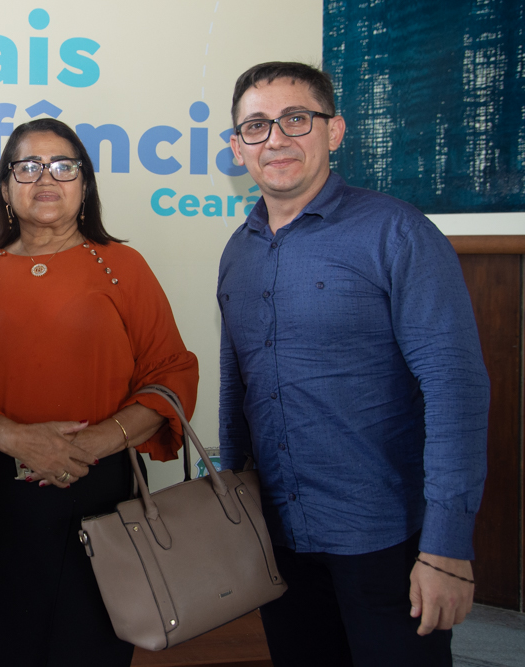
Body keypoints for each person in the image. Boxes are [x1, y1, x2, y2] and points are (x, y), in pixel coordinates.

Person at [218, 61, 490, 666]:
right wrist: (234, 516)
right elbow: (237, 391)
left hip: (386, 541)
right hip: (279, 541)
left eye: (296, 119)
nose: (277, 139)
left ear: (334, 131)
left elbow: (456, 389)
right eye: (256, 126)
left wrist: (446, 547)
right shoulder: (239, 251)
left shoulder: (399, 234)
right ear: (238, 148)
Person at [0, 117, 199, 667]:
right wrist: (17, 440)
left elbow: (171, 373)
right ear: (4, 186)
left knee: (89, 649)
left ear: (85, 184)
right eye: (28, 166)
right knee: (0, 649)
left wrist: (93, 443)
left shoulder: (123, 266)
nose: (45, 177)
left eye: (63, 165)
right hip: (2, 501)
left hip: (102, 498)